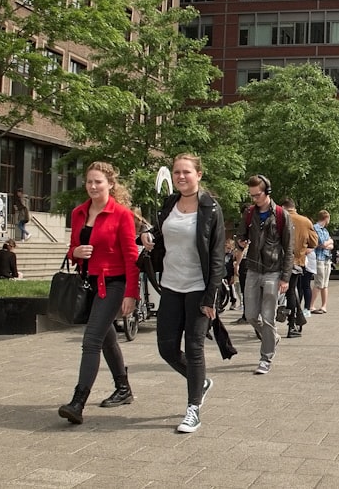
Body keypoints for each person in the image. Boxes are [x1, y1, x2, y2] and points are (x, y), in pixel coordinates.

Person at [140, 153, 225, 434]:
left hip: (199, 288)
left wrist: (211, 298)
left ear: (199, 175)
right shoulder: (169, 204)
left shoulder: (210, 208)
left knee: (194, 347)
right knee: (166, 348)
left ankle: (193, 409)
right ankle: (199, 381)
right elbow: (163, 235)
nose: (181, 176)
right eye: (177, 172)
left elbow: (216, 256)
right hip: (172, 287)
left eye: (187, 172)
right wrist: (150, 237)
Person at [57, 161, 140, 425]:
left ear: (110, 185)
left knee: (91, 340)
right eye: (89, 182)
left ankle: (78, 402)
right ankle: (124, 388)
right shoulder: (79, 213)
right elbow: (73, 248)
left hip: (112, 284)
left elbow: (131, 257)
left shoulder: (122, 215)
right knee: (106, 338)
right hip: (87, 283)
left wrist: (131, 294)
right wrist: (75, 252)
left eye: (98, 182)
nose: (93, 186)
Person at [237, 175, 293, 375]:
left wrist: (285, 277)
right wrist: (240, 242)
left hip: (273, 270)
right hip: (253, 269)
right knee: (251, 315)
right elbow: (240, 235)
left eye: (257, 195)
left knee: (268, 317)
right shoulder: (249, 213)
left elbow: (289, 247)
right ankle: (272, 337)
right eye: (251, 195)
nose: (254, 199)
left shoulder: (280, 215)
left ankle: (265, 358)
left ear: (267, 192)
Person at [280, 198, 316, 338]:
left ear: (283, 207)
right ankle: (291, 325)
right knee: (291, 292)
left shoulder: (279, 218)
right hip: (296, 262)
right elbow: (314, 241)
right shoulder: (305, 221)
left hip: (277, 262)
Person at [311, 210, 333, 314]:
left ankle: (324, 305)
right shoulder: (316, 228)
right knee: (319, 282)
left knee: (325, 283)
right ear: (326, 218)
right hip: (319, 258)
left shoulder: (325, 230)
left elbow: (330, 245)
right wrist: (329, 242)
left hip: (326, 258)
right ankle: (311, 305)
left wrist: (328, 243)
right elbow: (322, 243)